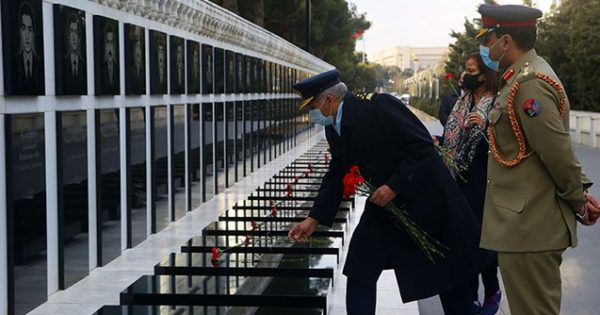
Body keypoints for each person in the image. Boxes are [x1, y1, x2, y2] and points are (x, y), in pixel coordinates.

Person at [288, 69, 482, 315]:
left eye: (312, 106)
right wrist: (313, 218)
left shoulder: (377, 106)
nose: (311, 113)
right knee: (359, 267)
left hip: (424, 202)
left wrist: (394, 185)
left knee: (448, 278)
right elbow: (336, 172)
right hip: (385, 206)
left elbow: (422, 146)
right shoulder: (333, 126)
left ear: (329, 100)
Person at [476, 4, 600, 315]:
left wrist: (578, 201)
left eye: (488, 38)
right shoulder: (519, 77)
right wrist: (580, 192)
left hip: (529, 227)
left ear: (506, 41)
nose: (485, 47)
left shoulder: (530, 84)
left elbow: (556, 152)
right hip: (522, 225)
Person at [434, 52, 501, 315]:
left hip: (484, 180)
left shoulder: (497, 102)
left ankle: (492, 287)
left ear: (485, 74)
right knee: (465, 239)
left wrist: (485, 129)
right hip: (459, 179)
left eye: (471, 70)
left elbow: (506, 142)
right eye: (465, 70)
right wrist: (440, 142)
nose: (466, 75)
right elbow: (454, 134)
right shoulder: (462, 101)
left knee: (481, 239)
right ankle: (470, 297)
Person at [14, 2, 44, 95]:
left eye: (30, 29)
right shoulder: (14, 63)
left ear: (34, 33)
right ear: (19, 31)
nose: (27, 35)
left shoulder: (39, 63)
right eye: (24, 28)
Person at [62, 12, 86, 94]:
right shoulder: (64, 63)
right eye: (71, 31)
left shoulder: (83, 63)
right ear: (68, 35)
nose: (74, 36)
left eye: (76, 32)